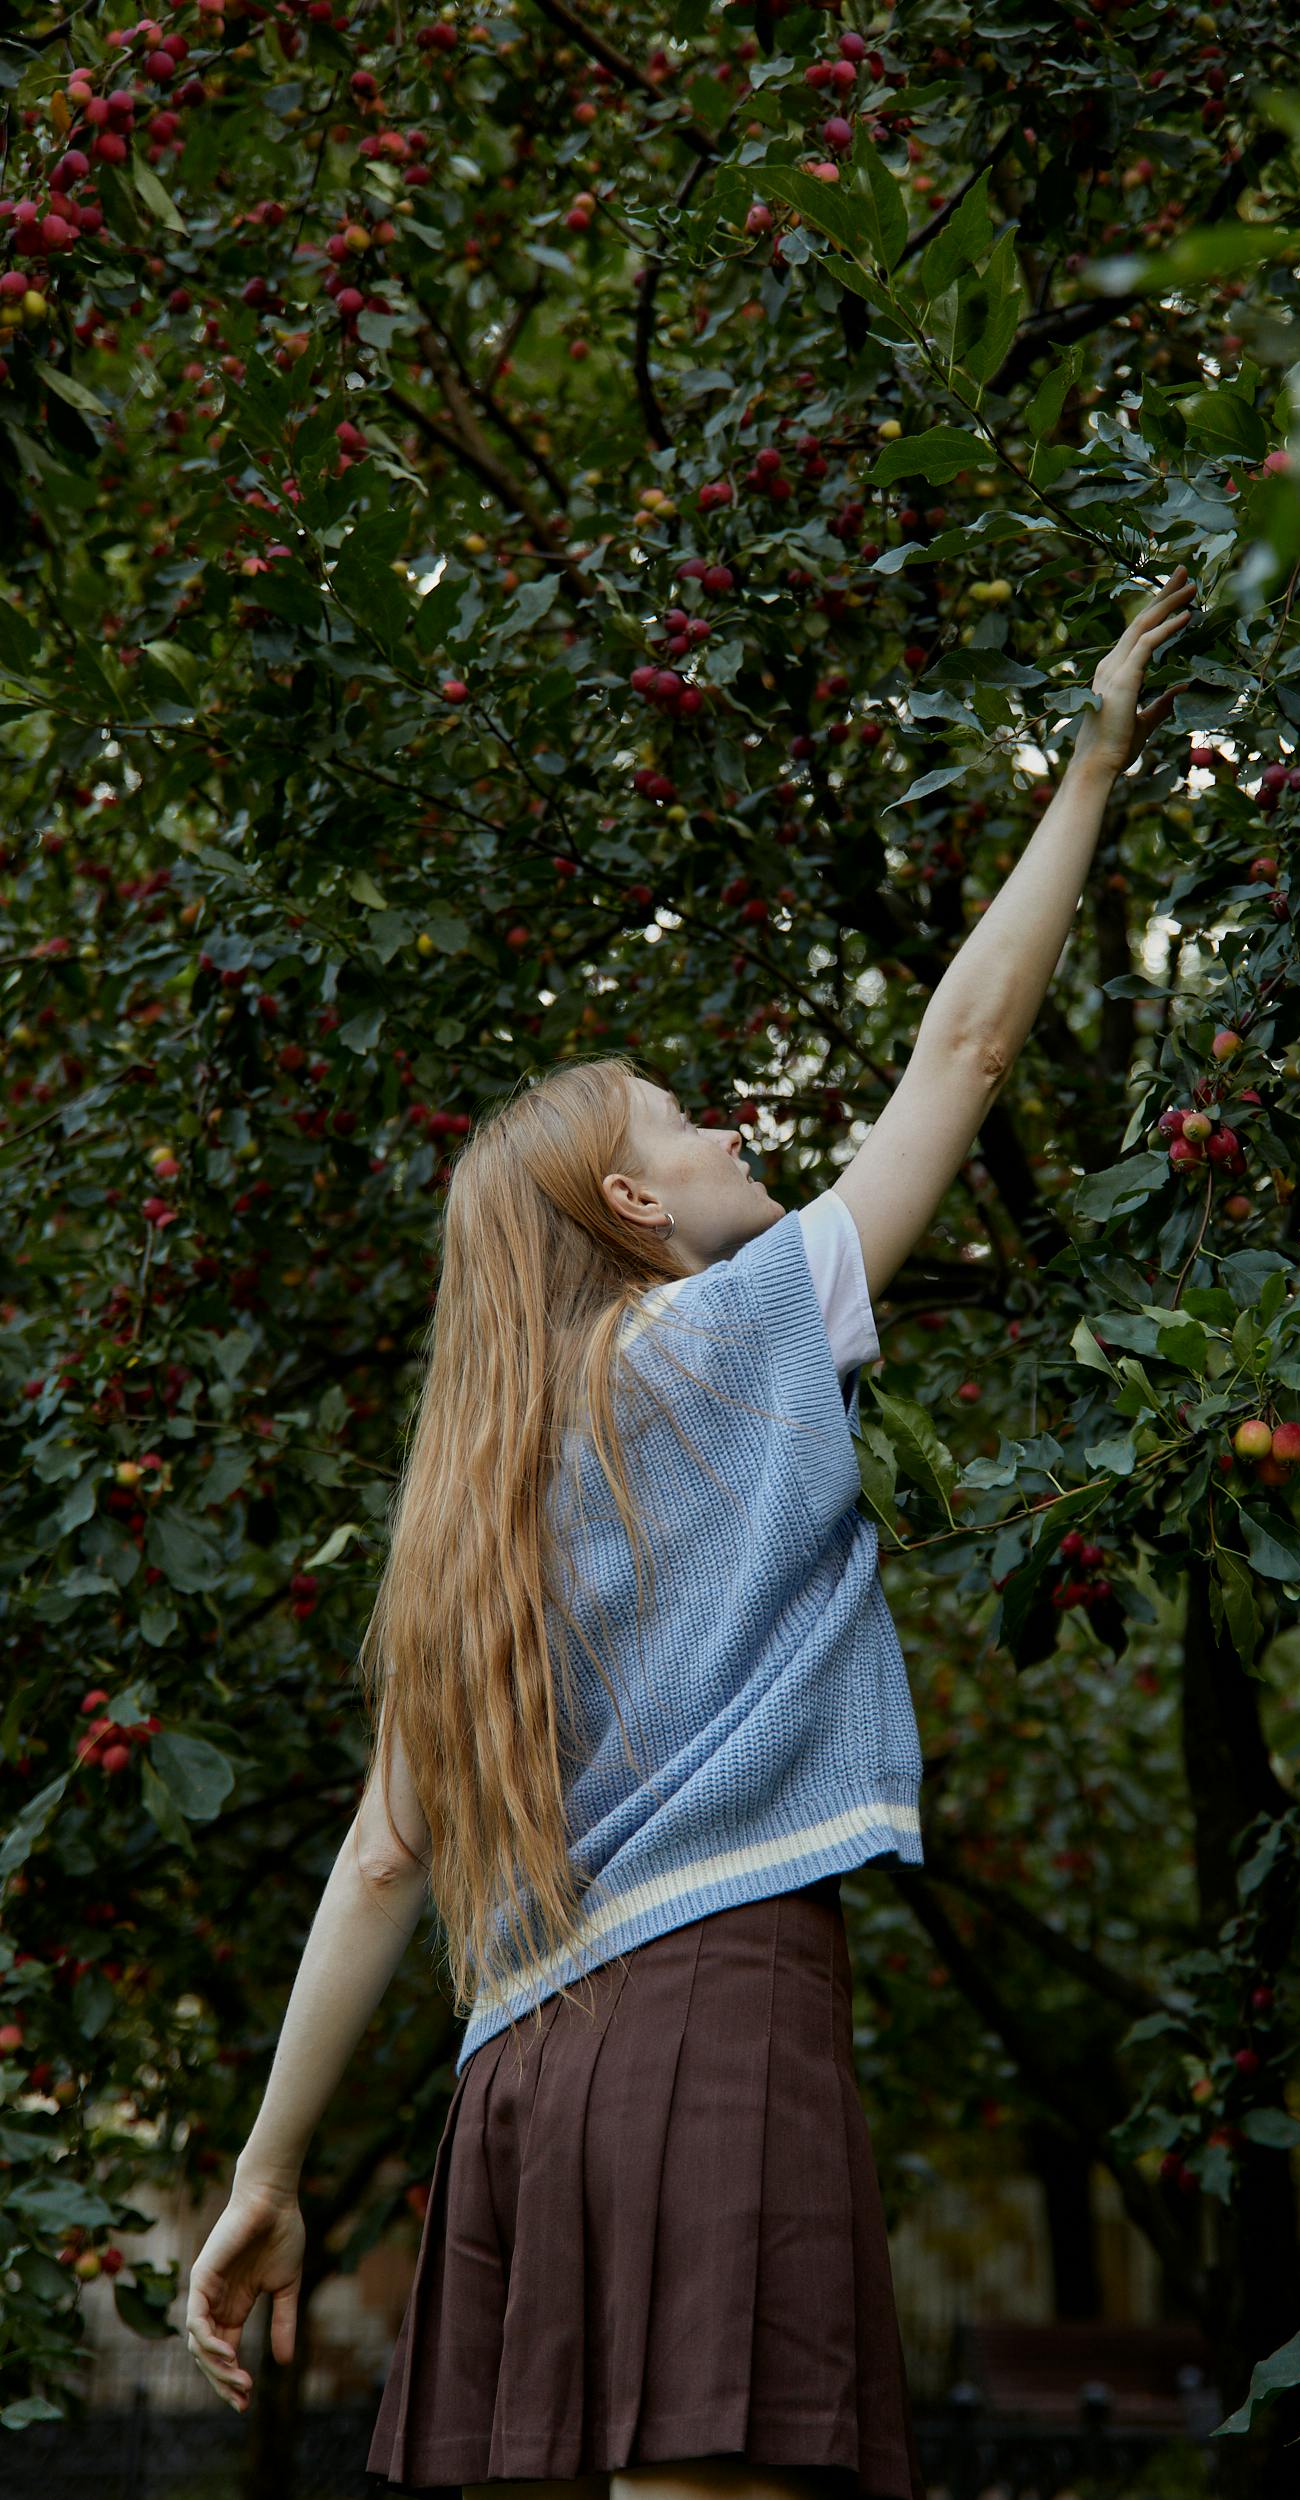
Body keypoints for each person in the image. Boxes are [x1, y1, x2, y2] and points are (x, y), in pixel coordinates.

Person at [184, 563, 1196, 2500]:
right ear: (633, 1212)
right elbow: (963, 1058)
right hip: (716, 2017)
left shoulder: (463, 1510)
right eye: (684, 1121)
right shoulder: (737, 1332)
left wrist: (267, 2165)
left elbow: (388, 1848)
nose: (731, 1129)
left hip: (514, 2087)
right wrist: (1089, 761)